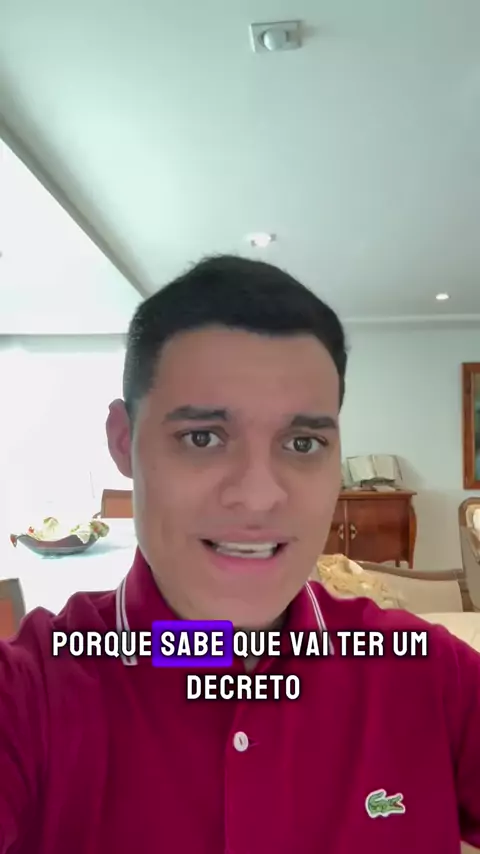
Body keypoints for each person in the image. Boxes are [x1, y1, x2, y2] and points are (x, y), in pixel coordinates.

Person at [1, 255, 479, 854]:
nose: (258, 495)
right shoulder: (32, 695)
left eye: (302, 443)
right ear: (124, 442)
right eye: (202, 437)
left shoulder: (429, 677)